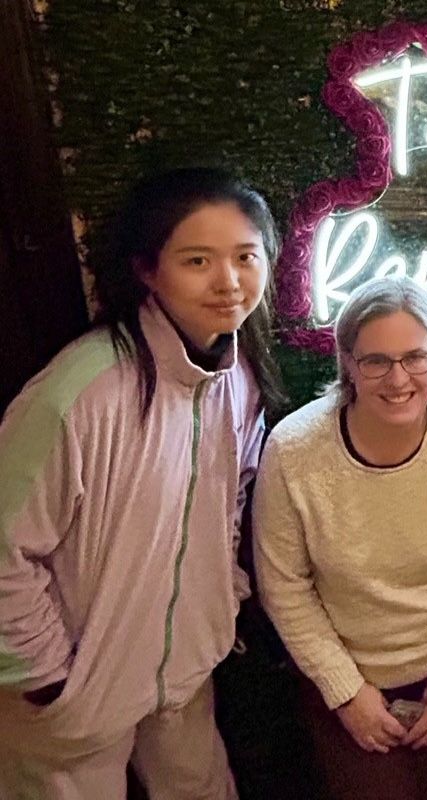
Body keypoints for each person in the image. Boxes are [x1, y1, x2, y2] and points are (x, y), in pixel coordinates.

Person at [0, 167, 285, 799]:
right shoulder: (82, 392)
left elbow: (231, 499)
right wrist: (48, 675)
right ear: (146, 270)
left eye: (246, 256)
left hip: (184, 666)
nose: (229, 281)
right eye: (197, 260)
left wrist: (225, 595)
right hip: (73, 682)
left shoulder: (239, 377)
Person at [253, 276, 427, 800]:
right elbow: (284, 587)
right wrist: (346, 693)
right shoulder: (293, 452)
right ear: (348, 362)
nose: (398, 378)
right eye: (376, 360)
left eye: (415, 357)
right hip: (349, 680)